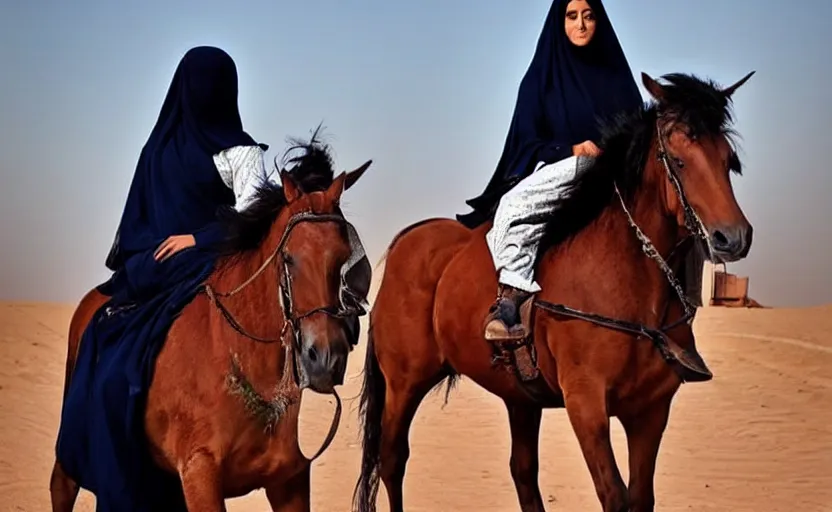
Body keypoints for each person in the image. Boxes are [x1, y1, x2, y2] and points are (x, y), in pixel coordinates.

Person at [54, 46, 276, 511]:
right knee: (105, 341)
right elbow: (139, 222)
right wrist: (162, 249)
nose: (208, 92)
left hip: (216, 260)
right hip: (154, 265)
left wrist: (197, 239)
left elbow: (255, 219)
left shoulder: (241, 153)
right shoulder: (157, 151)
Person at [455, 0, 645, 341]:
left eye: (589, 16)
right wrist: (571, 149)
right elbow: (526, 143)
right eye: (572, 17)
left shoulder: (617, 77)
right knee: (514, 208)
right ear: (560, 24)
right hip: (569, 168)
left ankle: (681, 313)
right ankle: (511, 299)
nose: (581, 25)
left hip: (617, 175)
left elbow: (639, 132)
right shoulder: (539, 81)